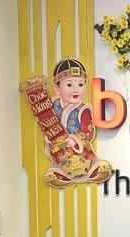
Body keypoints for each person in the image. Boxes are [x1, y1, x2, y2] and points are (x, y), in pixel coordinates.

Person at [46, 57, 111, 187]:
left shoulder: (83, 109)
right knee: (59, 167)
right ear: (57, 88)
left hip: (80, 151)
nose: (76, 90)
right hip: (60, 151)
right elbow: (40, 107)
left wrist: (74, 139)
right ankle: (60, 174)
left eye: (80, 85)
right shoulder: (52, 105)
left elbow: (88, 131)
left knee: (91, 165)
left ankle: (93, 171)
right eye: (69, 85)